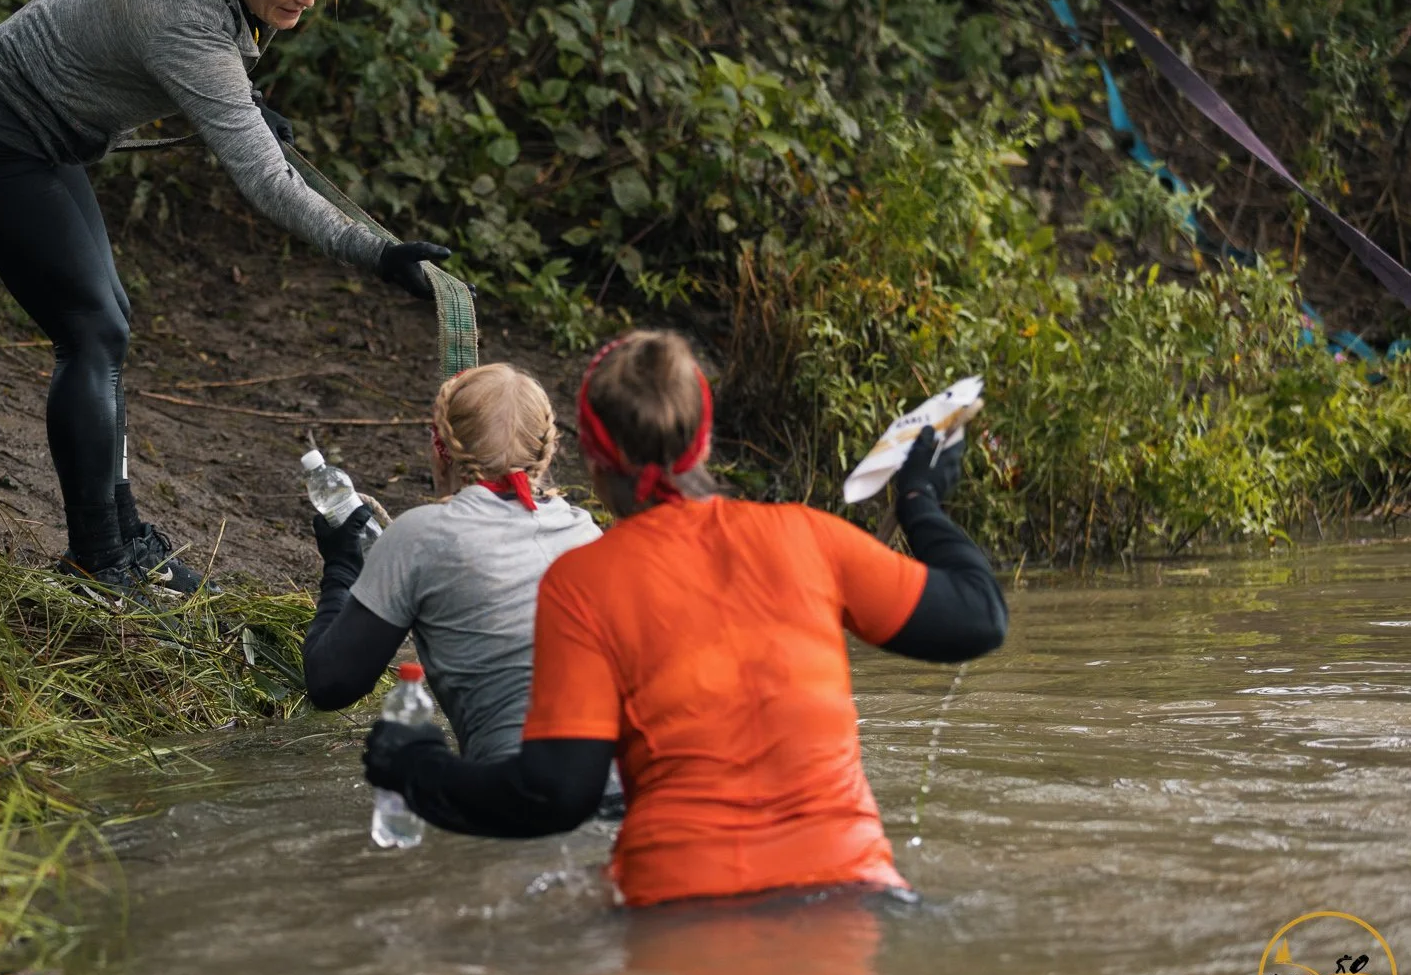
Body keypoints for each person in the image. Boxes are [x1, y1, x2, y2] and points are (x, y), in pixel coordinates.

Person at [0, 0, 452, 595]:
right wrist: (379, 252)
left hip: (40, 133)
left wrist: (243, 93)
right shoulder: (184, 13)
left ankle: (120, 533)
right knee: (91, 333)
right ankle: (96, 559)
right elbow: (267, 181)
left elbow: (217, 47)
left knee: (109, 325)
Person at [362, 330, 1009, 907]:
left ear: (588, 457)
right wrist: (920, 497)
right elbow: (979, 619)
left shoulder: (585, 582)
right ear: (703, 441)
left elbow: (554, 795)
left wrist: (415, 764)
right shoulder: (810, 537)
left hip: (682, 906)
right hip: (855, 892)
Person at [306, 363, 602, 766]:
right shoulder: (587, 532)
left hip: (520, 793)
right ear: (547, 451)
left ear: (438, 450)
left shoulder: (420, 536)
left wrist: (341, 565)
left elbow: (330, 684)